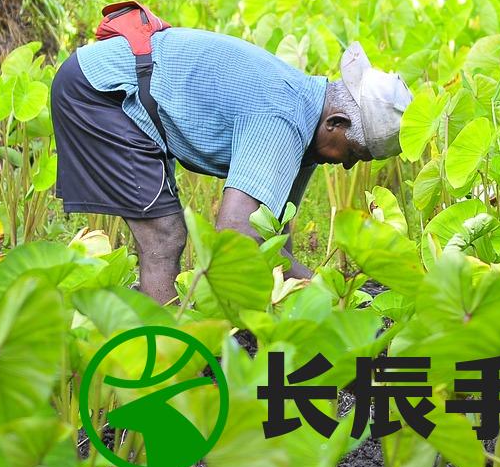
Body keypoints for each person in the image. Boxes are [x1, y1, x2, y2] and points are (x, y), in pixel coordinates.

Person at [50, 21, 411, 305]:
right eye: (353, 155)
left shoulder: (309, 120)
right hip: (103, 92)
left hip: (126, 89)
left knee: (168, 235)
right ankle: (166, 358)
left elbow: (271, 236)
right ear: (337, 124)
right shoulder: (284, 118)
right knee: (165, 236)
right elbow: (237, 234)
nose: (347, 167)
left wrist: (319, 296)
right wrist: (322, 290)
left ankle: (157, 329)